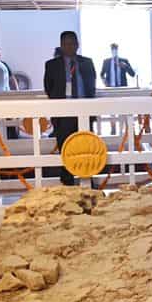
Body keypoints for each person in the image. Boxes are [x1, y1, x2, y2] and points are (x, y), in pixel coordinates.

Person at [44, 30, 97, 186]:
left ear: (78, 45)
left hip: (84, 111)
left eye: (73, 43)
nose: (70, 47)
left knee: (87, 147)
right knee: (65, 147)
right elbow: (49, 88)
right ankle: (67, 182)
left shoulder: (87, 62)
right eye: (67, 44)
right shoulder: (52, 65)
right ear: (61, 46)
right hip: (63, 113)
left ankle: (88, 179)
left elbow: (91, 86)